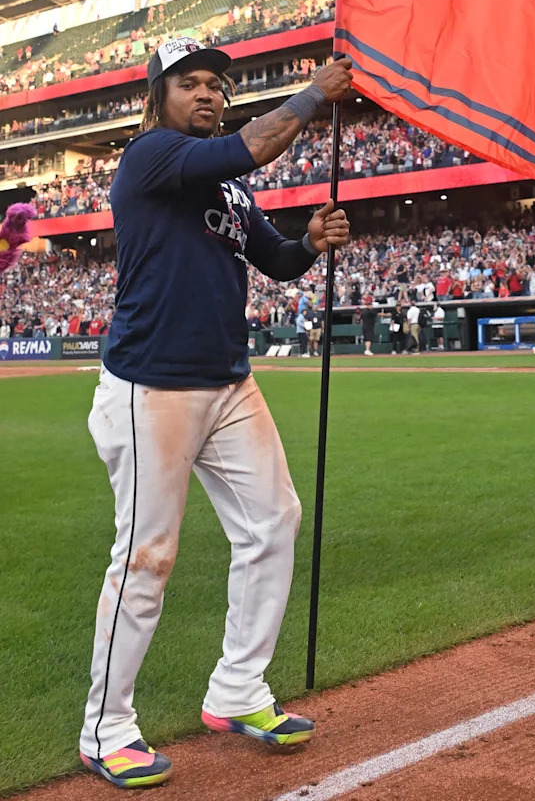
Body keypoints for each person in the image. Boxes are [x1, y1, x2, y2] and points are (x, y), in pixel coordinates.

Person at [78, 38, 353, 788]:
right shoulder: (150, 156)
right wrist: (312, 97)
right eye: (190, 83)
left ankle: (237, 691)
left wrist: (311, 244)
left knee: (274, 521)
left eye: (216, 85)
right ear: (158, 96)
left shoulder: (230, 190)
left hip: (229, 381)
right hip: (151, 385)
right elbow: (253, 145)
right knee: (146, 557)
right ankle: (105, 730)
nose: (208, 94)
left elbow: (276, 260)